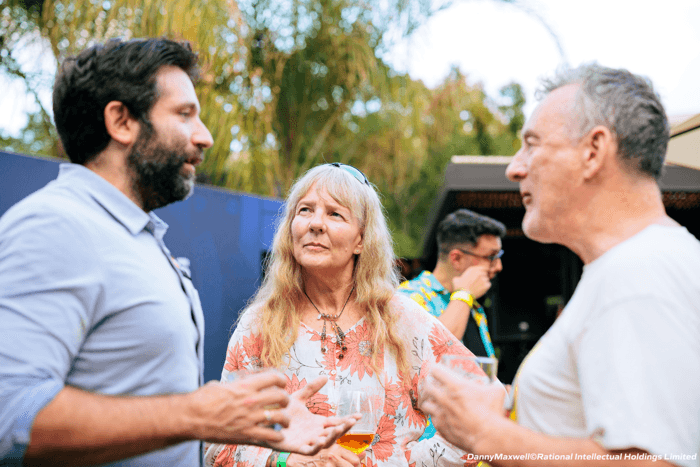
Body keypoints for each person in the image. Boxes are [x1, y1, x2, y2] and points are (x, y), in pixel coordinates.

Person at [0, 38, 354, 467]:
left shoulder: (137, 236)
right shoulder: (55, 226)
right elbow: (10, 416)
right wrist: (197, 414)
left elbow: (142, 397)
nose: (203, 137)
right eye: (184, 114)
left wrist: (248, 417)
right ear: (122, 122)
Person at [422, 63, 700, 467]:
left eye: (532, 144)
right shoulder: (645, 263)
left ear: (593, 151)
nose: (514, 167)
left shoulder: (637, 273)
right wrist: (506, 406)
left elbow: (657, 461)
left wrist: (485, 433)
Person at [206, 163, 479, 467]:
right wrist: (281, 461)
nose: (316, 224)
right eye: (305, 210)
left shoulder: (402, 320)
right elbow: (218, 445)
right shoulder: (260, 325)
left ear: (361, 240)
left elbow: (479, 412)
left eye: (335, 214)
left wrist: (399, 463)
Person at [398, 209, 505, 353]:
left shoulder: (472, 304)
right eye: (491, 257)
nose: (498, 266)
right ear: (456, 258)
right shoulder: (407, 298)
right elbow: (429, 354)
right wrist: (464, 295)